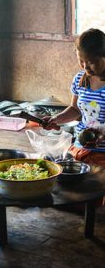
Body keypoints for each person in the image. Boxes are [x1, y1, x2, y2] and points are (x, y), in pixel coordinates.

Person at [42, 28, 105, 166]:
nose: (85, 66)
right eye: (81, 60)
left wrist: (102, 133)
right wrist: (56, 119)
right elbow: (75, 110)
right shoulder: (79, 79)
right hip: (80, 148)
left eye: (91, 61)